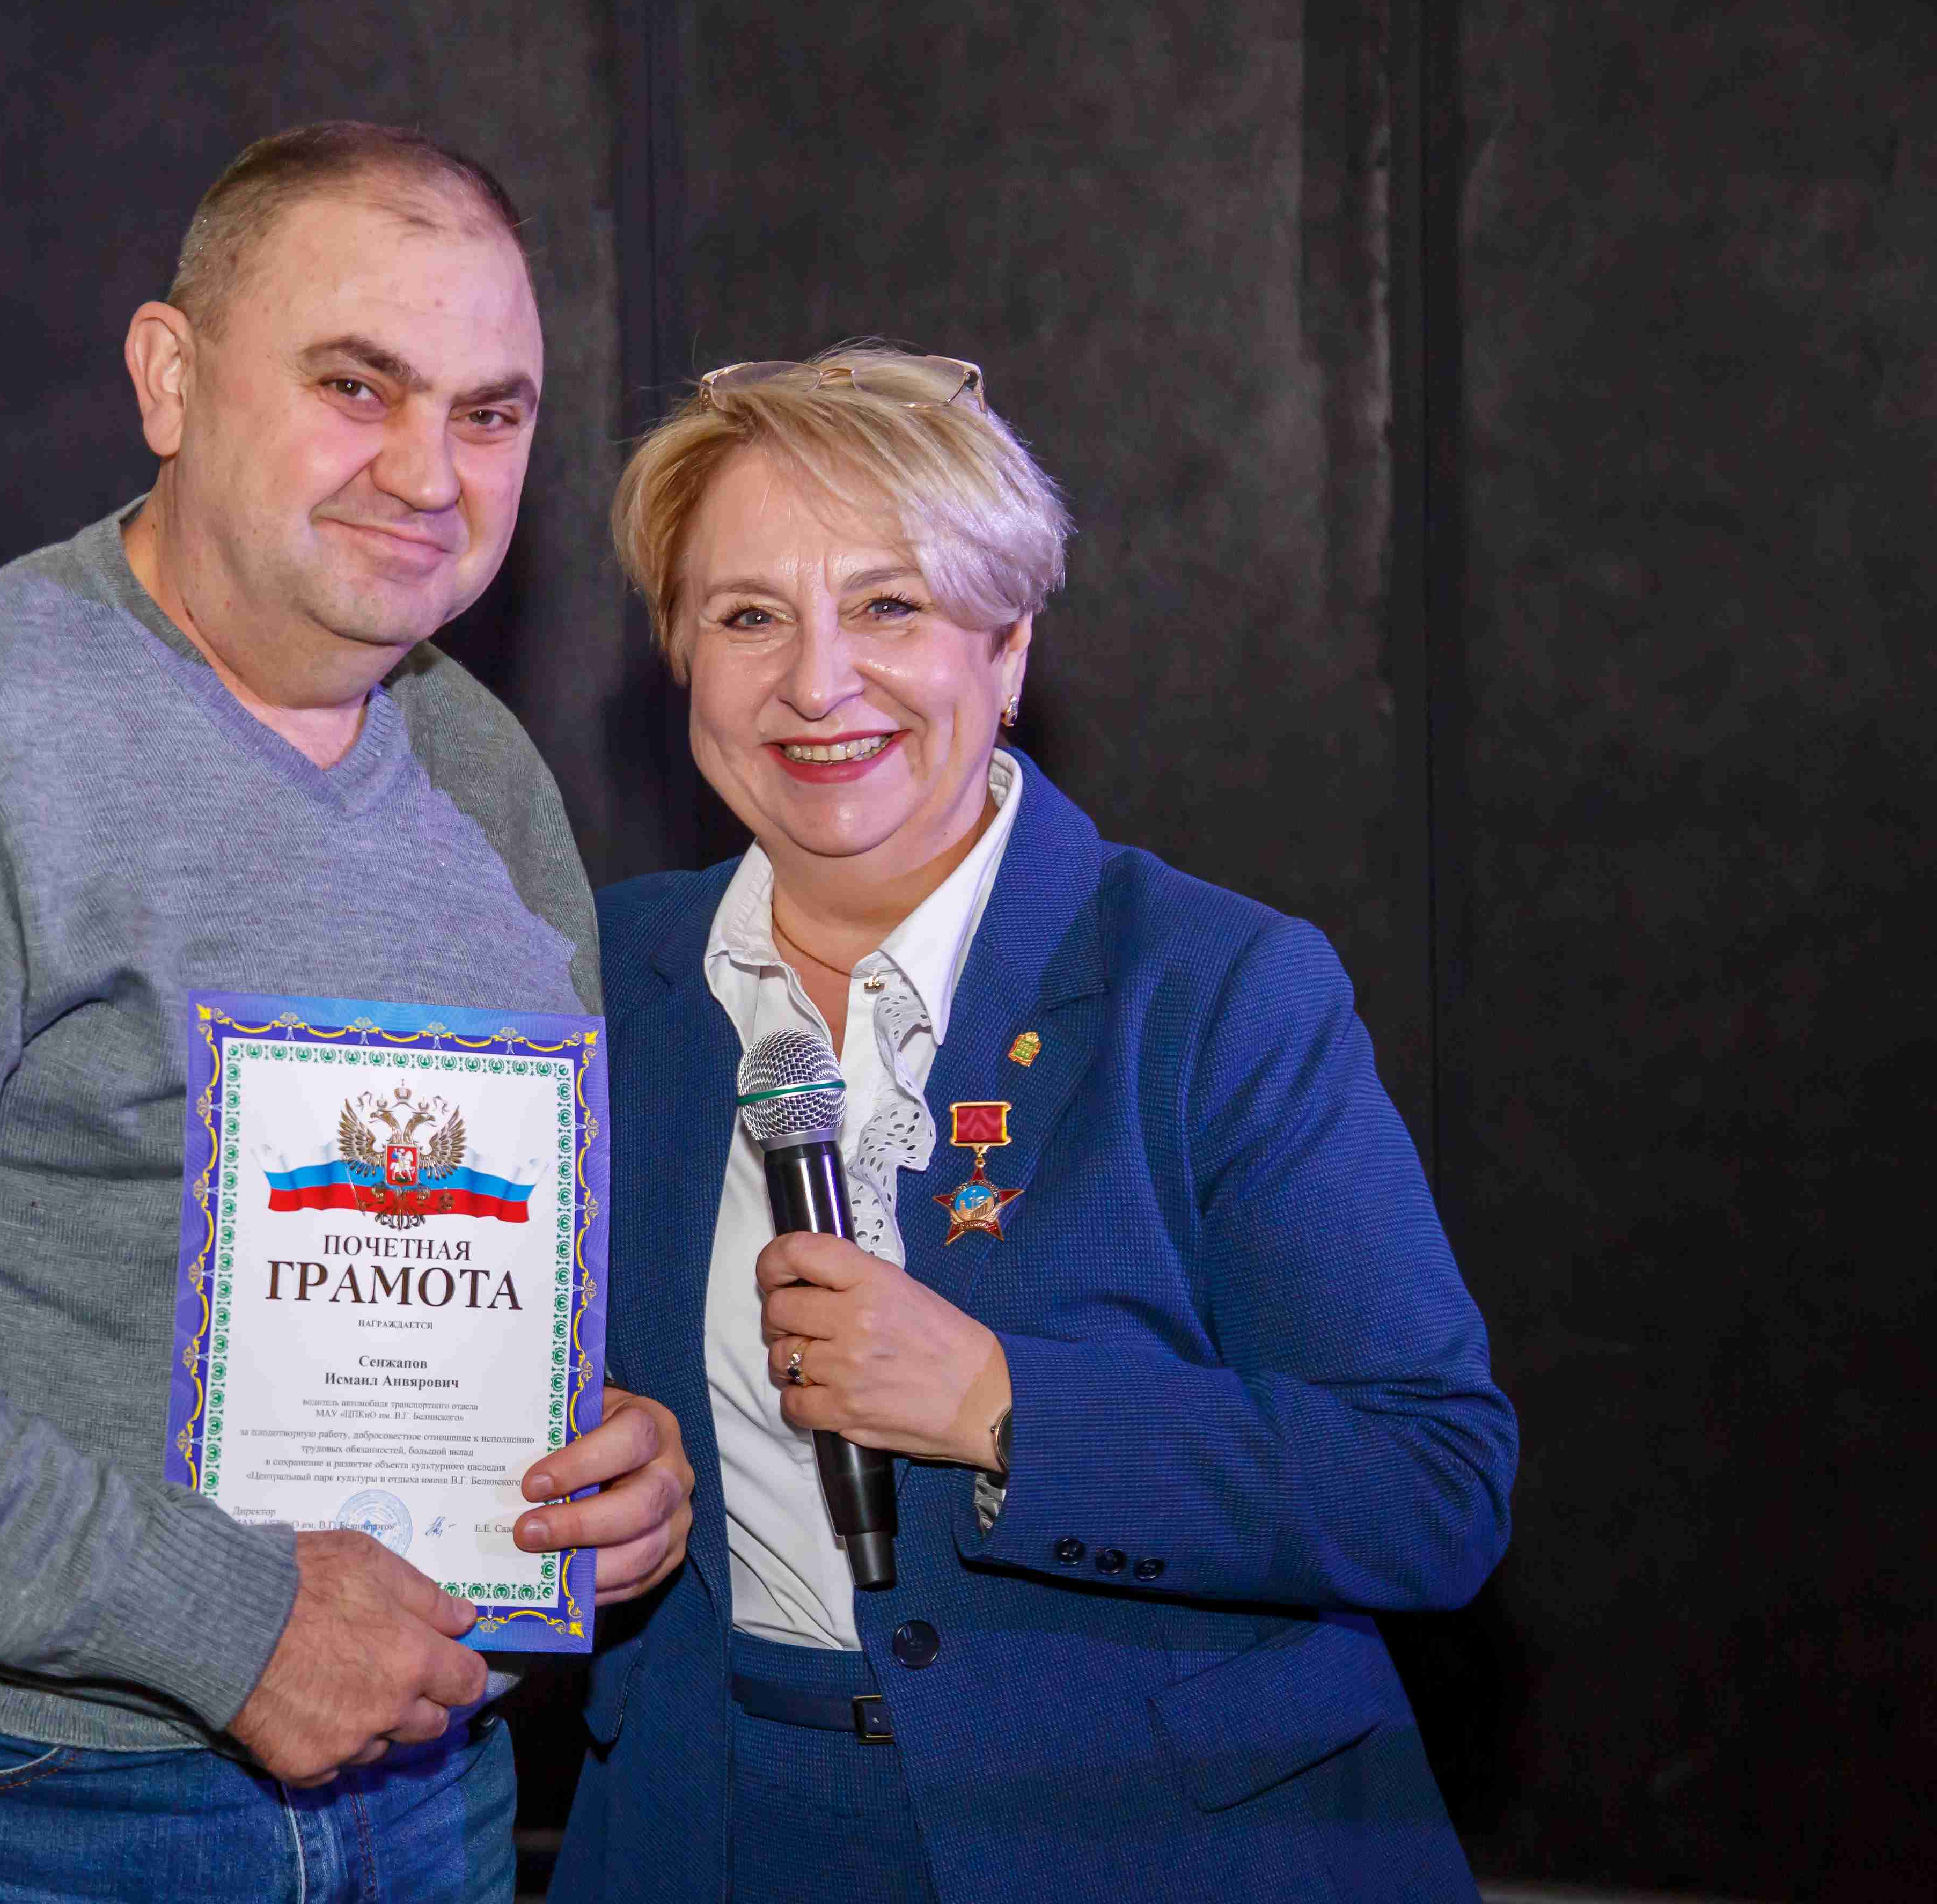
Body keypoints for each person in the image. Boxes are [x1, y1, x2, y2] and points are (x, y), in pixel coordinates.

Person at [0, 123, 693, 1904]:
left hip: (436, 1788)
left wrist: (601, 1460)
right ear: (170, 379)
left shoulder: (486, 770)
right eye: (358, 385)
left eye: (490, 413)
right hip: (28, 1811)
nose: (429, 471)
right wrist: (228, 1620)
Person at [552, 345, 1517, 1902]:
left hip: (1151, 1849)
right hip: (709, 1830)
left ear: (1008, 649)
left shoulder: (1212, 991)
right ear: (677, 653)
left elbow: (1432, 1487)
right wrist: (578, 1492)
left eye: (890, 605)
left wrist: (1004, 1406)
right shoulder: (589, 982)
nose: (817, 683)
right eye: (748, 616)